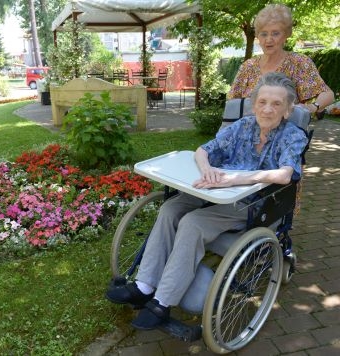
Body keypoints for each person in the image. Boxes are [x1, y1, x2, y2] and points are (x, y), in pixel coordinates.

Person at [106, 72, 308, 330]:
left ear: (288, 109)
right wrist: (207, 170)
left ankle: (162, 302)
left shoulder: (293, 135)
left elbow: (285, 174)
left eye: (277, 104)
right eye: (262, 101)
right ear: (254, 103)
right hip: (214, 189)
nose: (267, 109)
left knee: (192, 222)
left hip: (252, 202)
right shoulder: (242, 126)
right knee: (170, 208)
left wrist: (233, 179)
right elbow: (203, 151)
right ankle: (144, 285)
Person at [228, 3, 334, 118]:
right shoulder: (248, 66)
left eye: (275, 33)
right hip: (247, 132)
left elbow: (327, 94)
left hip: (286, 132)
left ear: (286, 35)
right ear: (258, 36)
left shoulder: (298, 62)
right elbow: (232, 102)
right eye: (264, 34)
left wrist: (312, 107)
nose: (269, 39)